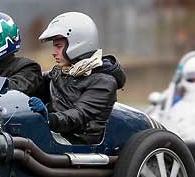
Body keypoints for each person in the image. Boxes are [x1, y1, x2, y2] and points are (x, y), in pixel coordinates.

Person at [28, 12, 126, 144]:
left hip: (79, 142)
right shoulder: (60, 72)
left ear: (77, 44)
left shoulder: (104, 81)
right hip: (56, 134)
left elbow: (79, 115)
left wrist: (48, 118)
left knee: (23, 145)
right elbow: (31, 83)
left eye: (58, 46)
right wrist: (9, 83)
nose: (53, 52)